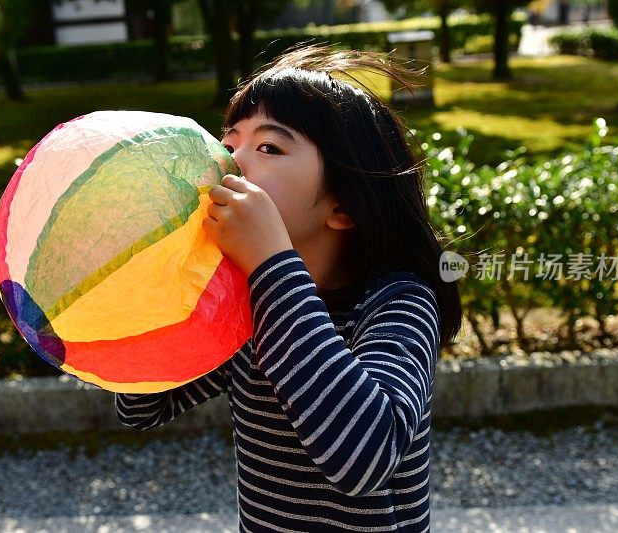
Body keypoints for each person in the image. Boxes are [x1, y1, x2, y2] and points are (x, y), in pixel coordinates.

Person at [115, 44, 463, 532]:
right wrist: (151, 277)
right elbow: (144, 402)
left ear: (343, 205)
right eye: (228, 142)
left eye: (269, 148)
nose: (229, 163)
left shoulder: (398, 300)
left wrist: (271, 266)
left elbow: (365, 457)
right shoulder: (248, 301)